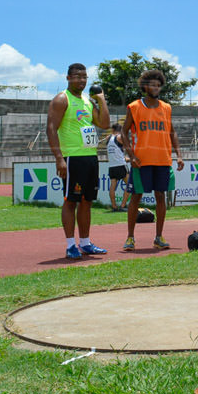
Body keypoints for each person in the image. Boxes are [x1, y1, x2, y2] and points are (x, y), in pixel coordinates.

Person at [46, 63, 110, 259]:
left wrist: (102, 100)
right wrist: (59, 159)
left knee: (87, 201)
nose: (82, 80)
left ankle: (86, 243)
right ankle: (70, 245)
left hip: (90, 156)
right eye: (77, 76)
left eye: (85, 77)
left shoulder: (88, 101)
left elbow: (105, 124)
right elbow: (51, 128)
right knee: (71, 201)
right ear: (68, 78)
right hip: (72, 158)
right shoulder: (61, 99)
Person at [122, 69, 185, 251]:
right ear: (144, 86)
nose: (156, 88)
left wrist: (179, 155)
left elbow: (172, 132)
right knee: (136, 197)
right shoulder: (134, 107)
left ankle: (159, 237)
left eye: (158, 85)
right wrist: (131, 155)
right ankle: (130, 238)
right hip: (141, 161)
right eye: (152, 84)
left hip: (163, 160)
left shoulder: (166, 108)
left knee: (161, 197)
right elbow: (124, 132)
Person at [106, 124, 131, 212]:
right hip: (121, 165)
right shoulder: (120, 137)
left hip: (112, 166)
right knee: (130, 185)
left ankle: (114, 207)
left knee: (112, 187)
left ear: (113, 130)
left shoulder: (108, 138)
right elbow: (127, 146)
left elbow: (117, 153)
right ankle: (123, 205)